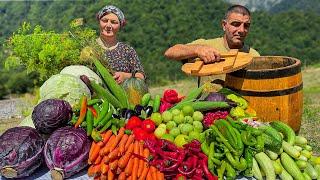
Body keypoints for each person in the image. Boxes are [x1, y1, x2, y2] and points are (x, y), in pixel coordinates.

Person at [164, 4, 260, 63]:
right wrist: (197, 50)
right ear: (224, 25)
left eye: (246, 25)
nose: (242, 30)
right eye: (236, 24)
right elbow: (170, 52)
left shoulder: (254, 56)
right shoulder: (207, 46)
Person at [96, 5, 145, 84]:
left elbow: (141, 76)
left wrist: (125, 76)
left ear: (120, 25)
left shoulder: (127, 50)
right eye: (105, 21)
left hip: (124, 95)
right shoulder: (88, 48)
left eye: (114, 22)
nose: (108, 25)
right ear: (99, 21)